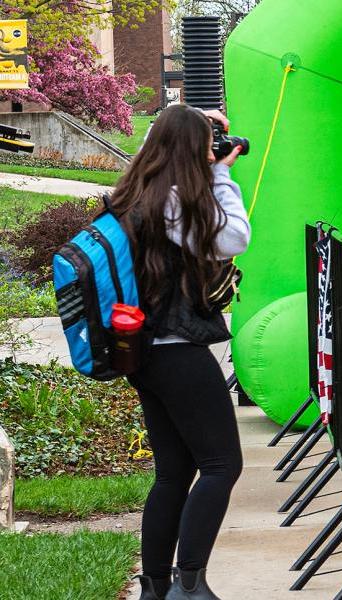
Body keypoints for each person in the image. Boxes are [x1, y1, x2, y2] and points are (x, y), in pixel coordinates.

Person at [113, 105, 249, 600]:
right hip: (175, 350)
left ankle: (154, 587)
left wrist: (191, 118)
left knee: (174, 470)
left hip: (145, 352)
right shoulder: (175, 201)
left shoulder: (136, 192)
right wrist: (220, 175)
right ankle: (189, 585)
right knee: (221, 465)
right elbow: (235, 237)